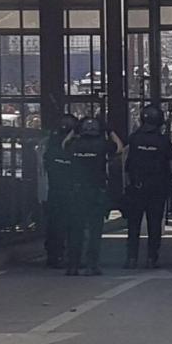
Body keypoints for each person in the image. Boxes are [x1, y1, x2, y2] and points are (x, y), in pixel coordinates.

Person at [63, 117, 124, 276]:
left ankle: (73, 265)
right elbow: (119, 148)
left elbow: (64, 144)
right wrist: (110, 131)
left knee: (76, 230)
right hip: (96, 192)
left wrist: (74, 130)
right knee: (95, 231)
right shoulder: (103, 145)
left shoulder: (74, 145)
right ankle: (92, 265)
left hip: (77, 192)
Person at [124, 104, 172, 269]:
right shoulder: (163, 141)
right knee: (154, 225)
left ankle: (131, 258)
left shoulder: (134, 138)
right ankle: (151, 258)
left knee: (133, 225)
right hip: (157, 188)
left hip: (136, 187)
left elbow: (126, 163)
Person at [42, 114, 78, 268]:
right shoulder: (75, 147)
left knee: (55, 225)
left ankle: (54, 256)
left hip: (54, 191)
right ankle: (71, 257)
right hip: (72, 192)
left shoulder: (50, 146)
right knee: (73, 226)